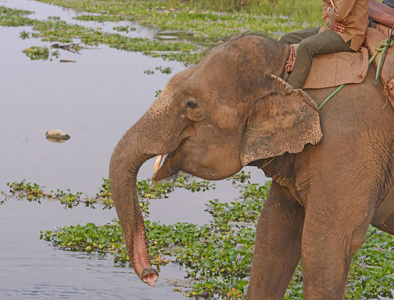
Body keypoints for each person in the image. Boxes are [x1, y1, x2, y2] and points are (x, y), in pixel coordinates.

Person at [280, 0, 369, 89]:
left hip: (349, 35)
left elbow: (339, 15)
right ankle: (279, 80)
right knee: (286, 39)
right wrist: (330, 22)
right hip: (332, 29)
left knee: (305, 47)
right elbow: (325, 9)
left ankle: (290, 92)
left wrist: (329, 10)